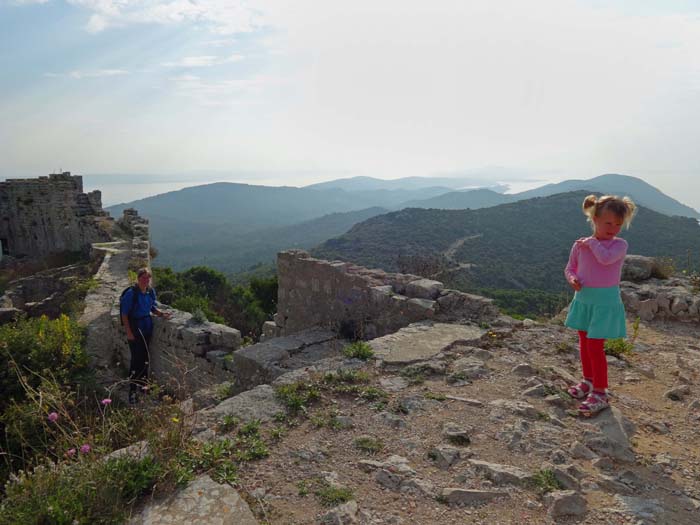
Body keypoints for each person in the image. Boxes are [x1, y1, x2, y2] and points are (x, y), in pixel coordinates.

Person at [564, 194, 637, 415]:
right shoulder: (580, 245)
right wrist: (573, 279)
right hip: (584, 300)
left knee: (595, 346)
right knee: (584, 344)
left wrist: (593, 242)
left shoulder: (619, 245)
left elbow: (605, 258)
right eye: (608, 223)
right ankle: (588, 381)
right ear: (594, 218)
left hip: (605, 303)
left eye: (618, 224)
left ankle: (600, 392)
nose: (613, 228)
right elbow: (570, 268)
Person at [121, 268, 171, 404]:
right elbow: (124, 314)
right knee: (136, 360)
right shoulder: (131, 294)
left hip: (147, 326)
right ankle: (132, 391)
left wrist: (161, 314)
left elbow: (152, 308)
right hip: (135, 328)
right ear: (138, 279)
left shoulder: (150, 291)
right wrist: (129, 332)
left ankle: (143, 387)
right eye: (143, 278)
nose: (146, 280)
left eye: (148, 278)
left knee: (145, 359)